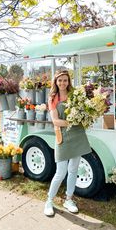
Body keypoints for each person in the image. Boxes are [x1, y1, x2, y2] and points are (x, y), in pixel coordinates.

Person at [44, 70, 91, 216]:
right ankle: (49, 201)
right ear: (56, 82)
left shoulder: (75, 95)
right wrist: (73, 121)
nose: (62, 83)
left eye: (65, 80)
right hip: (62, 136)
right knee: (60, 172)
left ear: (68, 81)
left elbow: (84, 111)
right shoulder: (53, 98)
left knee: (73, 170)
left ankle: (68, 199)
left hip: (77, 135)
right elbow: (55, 121)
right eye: (60, 80)